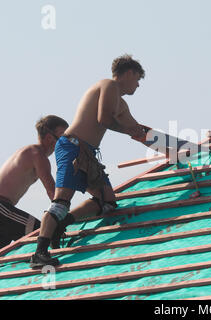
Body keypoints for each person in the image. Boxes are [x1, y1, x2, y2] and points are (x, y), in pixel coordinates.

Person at [30, 54, 150, 268]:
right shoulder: (109, 85)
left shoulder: (120, 103)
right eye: (138, 78)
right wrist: (128, 130)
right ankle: (39, 253)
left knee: (108, 202)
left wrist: (170, 147)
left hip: (86, 152)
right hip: (72, 147)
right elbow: (103, 119)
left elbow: (138, 131)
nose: (139, 85)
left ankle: (62, 224)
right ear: (129, 73)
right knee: (61, 202)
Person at [0, 115, 68, 248]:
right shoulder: (37, 154)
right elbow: (52, 192)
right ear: (49, 138)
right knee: (43, 232)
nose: (67, 141)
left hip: (4, 210)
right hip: (2, 208)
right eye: (63, 136)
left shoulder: (30, 151)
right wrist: (66, 216)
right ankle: (44, 260)